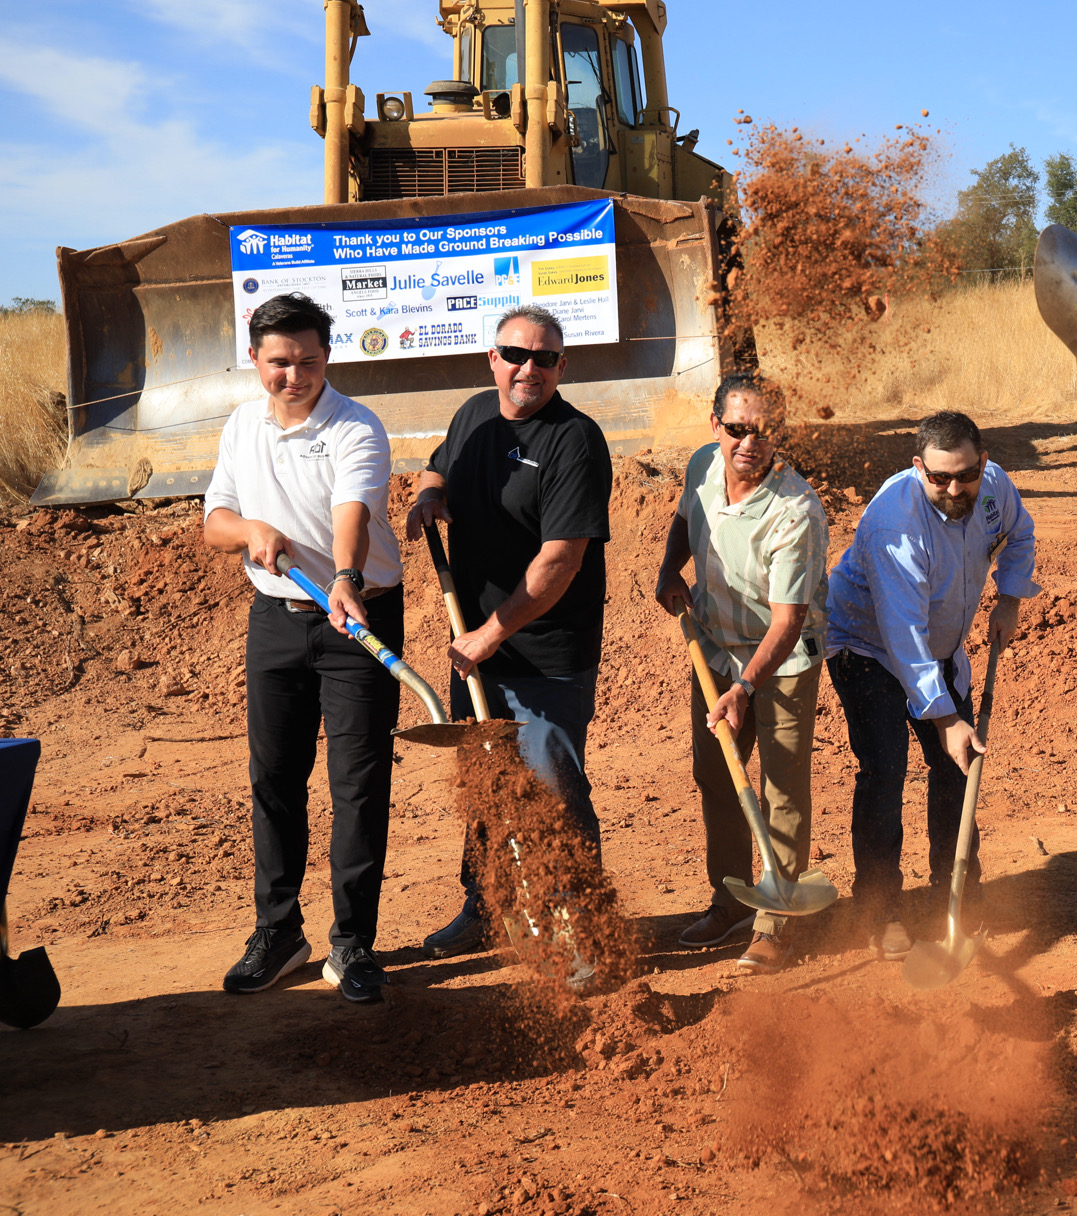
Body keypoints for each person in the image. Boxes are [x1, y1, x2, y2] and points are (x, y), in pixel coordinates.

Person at [203, 292, 405, 1005]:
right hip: (277, 619)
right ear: (255, 359)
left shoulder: (356, 426)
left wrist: (345, 578)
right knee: (275, 776)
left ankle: (352, 943)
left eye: (309, 362)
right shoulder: (241, 425)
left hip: (359, 619)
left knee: (358, 784)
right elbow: (215, 521)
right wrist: (251, 530)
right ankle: (279, 932)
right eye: (280, 363)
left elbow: (353, 513)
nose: (294, 376)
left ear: (328, 356)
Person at [406, 304, 613, 958]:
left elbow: (561, 560)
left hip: (545, 657)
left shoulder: (574, 440)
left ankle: (583, 929)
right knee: (483, 785)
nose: (530, 369)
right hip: (475, 647)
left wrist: (489, 634)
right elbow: (439, 465)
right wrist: (430, 495)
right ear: (493, 359)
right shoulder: (473, 415)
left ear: (561, 366)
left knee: (552, 790)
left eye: (545, 358)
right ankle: (488, 907)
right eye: (517, 355)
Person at [825, 410, 1038, 959]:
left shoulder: (994, 488)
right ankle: (879, 910)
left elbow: (1020, 534)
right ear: (918, 467)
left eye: (965, 475)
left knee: (956, 768)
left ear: (982, 462)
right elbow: (903, 635)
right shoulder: (894, 524)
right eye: (940, 478)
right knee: (885, 771)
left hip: (938, 647)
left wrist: (1009, 598)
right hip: (868, 648)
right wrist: (945, 718)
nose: (954, 489)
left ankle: (958, 896)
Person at [654, 373, 829, 973]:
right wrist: (669, 569)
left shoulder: (795, 510)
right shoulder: (702, 465)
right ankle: (729, 900)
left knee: (781, 790)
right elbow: (687, 517)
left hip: (782, 663)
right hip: (714, 648)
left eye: (763, 431)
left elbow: (788, 621)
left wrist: (745, 687)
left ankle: (775, 921)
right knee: (717, 774)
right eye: (736, 429)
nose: (748, 443)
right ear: (715, 426)